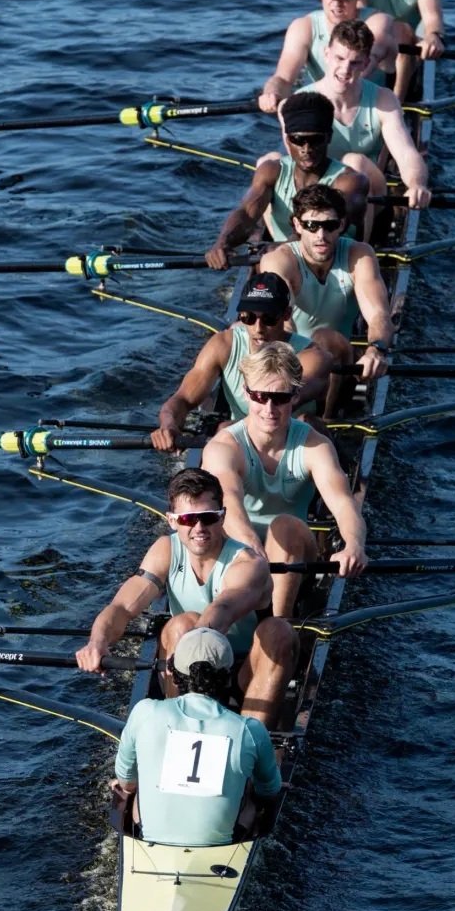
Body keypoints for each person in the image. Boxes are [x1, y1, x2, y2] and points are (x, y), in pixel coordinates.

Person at [78, 469, 300, 725]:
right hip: (186, 671)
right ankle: (182, 728)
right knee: (182, 624)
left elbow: (224, 609)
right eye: (188, 519)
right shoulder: (165, 550)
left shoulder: (249, 563)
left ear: (223, 516)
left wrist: (189, 649)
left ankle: (251, 739)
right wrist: (98, 642)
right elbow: (122, 607)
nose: (199, 528)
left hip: (246, 673)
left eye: (208, 517)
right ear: (172, 520)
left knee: (279, 631)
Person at [201, 341, 368, 620]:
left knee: (285, 527)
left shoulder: (315, 445)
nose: (269, 408)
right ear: (246, 393)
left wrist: (353, 546)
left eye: (279, 398)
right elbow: (228, 499)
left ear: (295, 396)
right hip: (241, 553)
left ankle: (279, 623)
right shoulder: (223, 448)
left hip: (296, 554)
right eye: (260, 396)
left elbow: (343, 504)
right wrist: (252, 549)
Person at [110, 626, 283, 847]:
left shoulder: (144, 711)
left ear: (172, 673)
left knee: (131, 786)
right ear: (228, 677)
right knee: (254, 788)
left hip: (149, 836)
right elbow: (269, 791)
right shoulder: (251, 729)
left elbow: (127, 782)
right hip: (223, 841)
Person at [150, 270, 346, 450]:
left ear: (286, 315)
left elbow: (276, 407)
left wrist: (225, 431)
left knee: (306, 421)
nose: (258, 328)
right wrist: (169, 424)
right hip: (241, 445)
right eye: (249, 317)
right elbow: (183, 399)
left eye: (268, 318)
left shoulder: (311, 356)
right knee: (227, 430)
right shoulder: (223, 345)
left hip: (296, 444)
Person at [257, 184, 392, 411]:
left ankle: (328, 423)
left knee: (326, 338)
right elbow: (281, 320)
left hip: (341, 365)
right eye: (312, 225)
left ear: (341, 225)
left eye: (329, 226)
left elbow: (378, 314)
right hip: (291, 363)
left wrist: (376, 350)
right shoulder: (279, 260)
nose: (321, 235)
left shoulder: (359, 255)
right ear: (298, 225)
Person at [205, 91, 377, 267]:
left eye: (315, 140)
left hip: (335, 262)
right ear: (287, 140)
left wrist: (285, 248)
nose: (306, 149)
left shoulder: (351, 181)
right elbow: (247, 215)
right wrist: (223, 242)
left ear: (329, 137)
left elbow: (322, 227)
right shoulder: (271, 171)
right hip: (284, 260)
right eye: (298, 139)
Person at [299, 18, 431, 211]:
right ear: (326, 54)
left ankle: (359, 241)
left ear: (366, 63)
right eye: (340, 58)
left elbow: (405, 153)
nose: (345, 69)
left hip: (369, 191)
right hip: (317, 193)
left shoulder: (383, 100)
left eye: (355, 62)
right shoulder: (301, 101)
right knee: (268, 161)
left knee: (355, 162)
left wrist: (417, 184)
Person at [256, 0, 398, 114]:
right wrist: (272, 93)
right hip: (324, 110)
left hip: (374, 108)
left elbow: (369, 62)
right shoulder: (303, 27)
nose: (336, 4)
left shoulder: (377, 22)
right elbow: (283, 78)